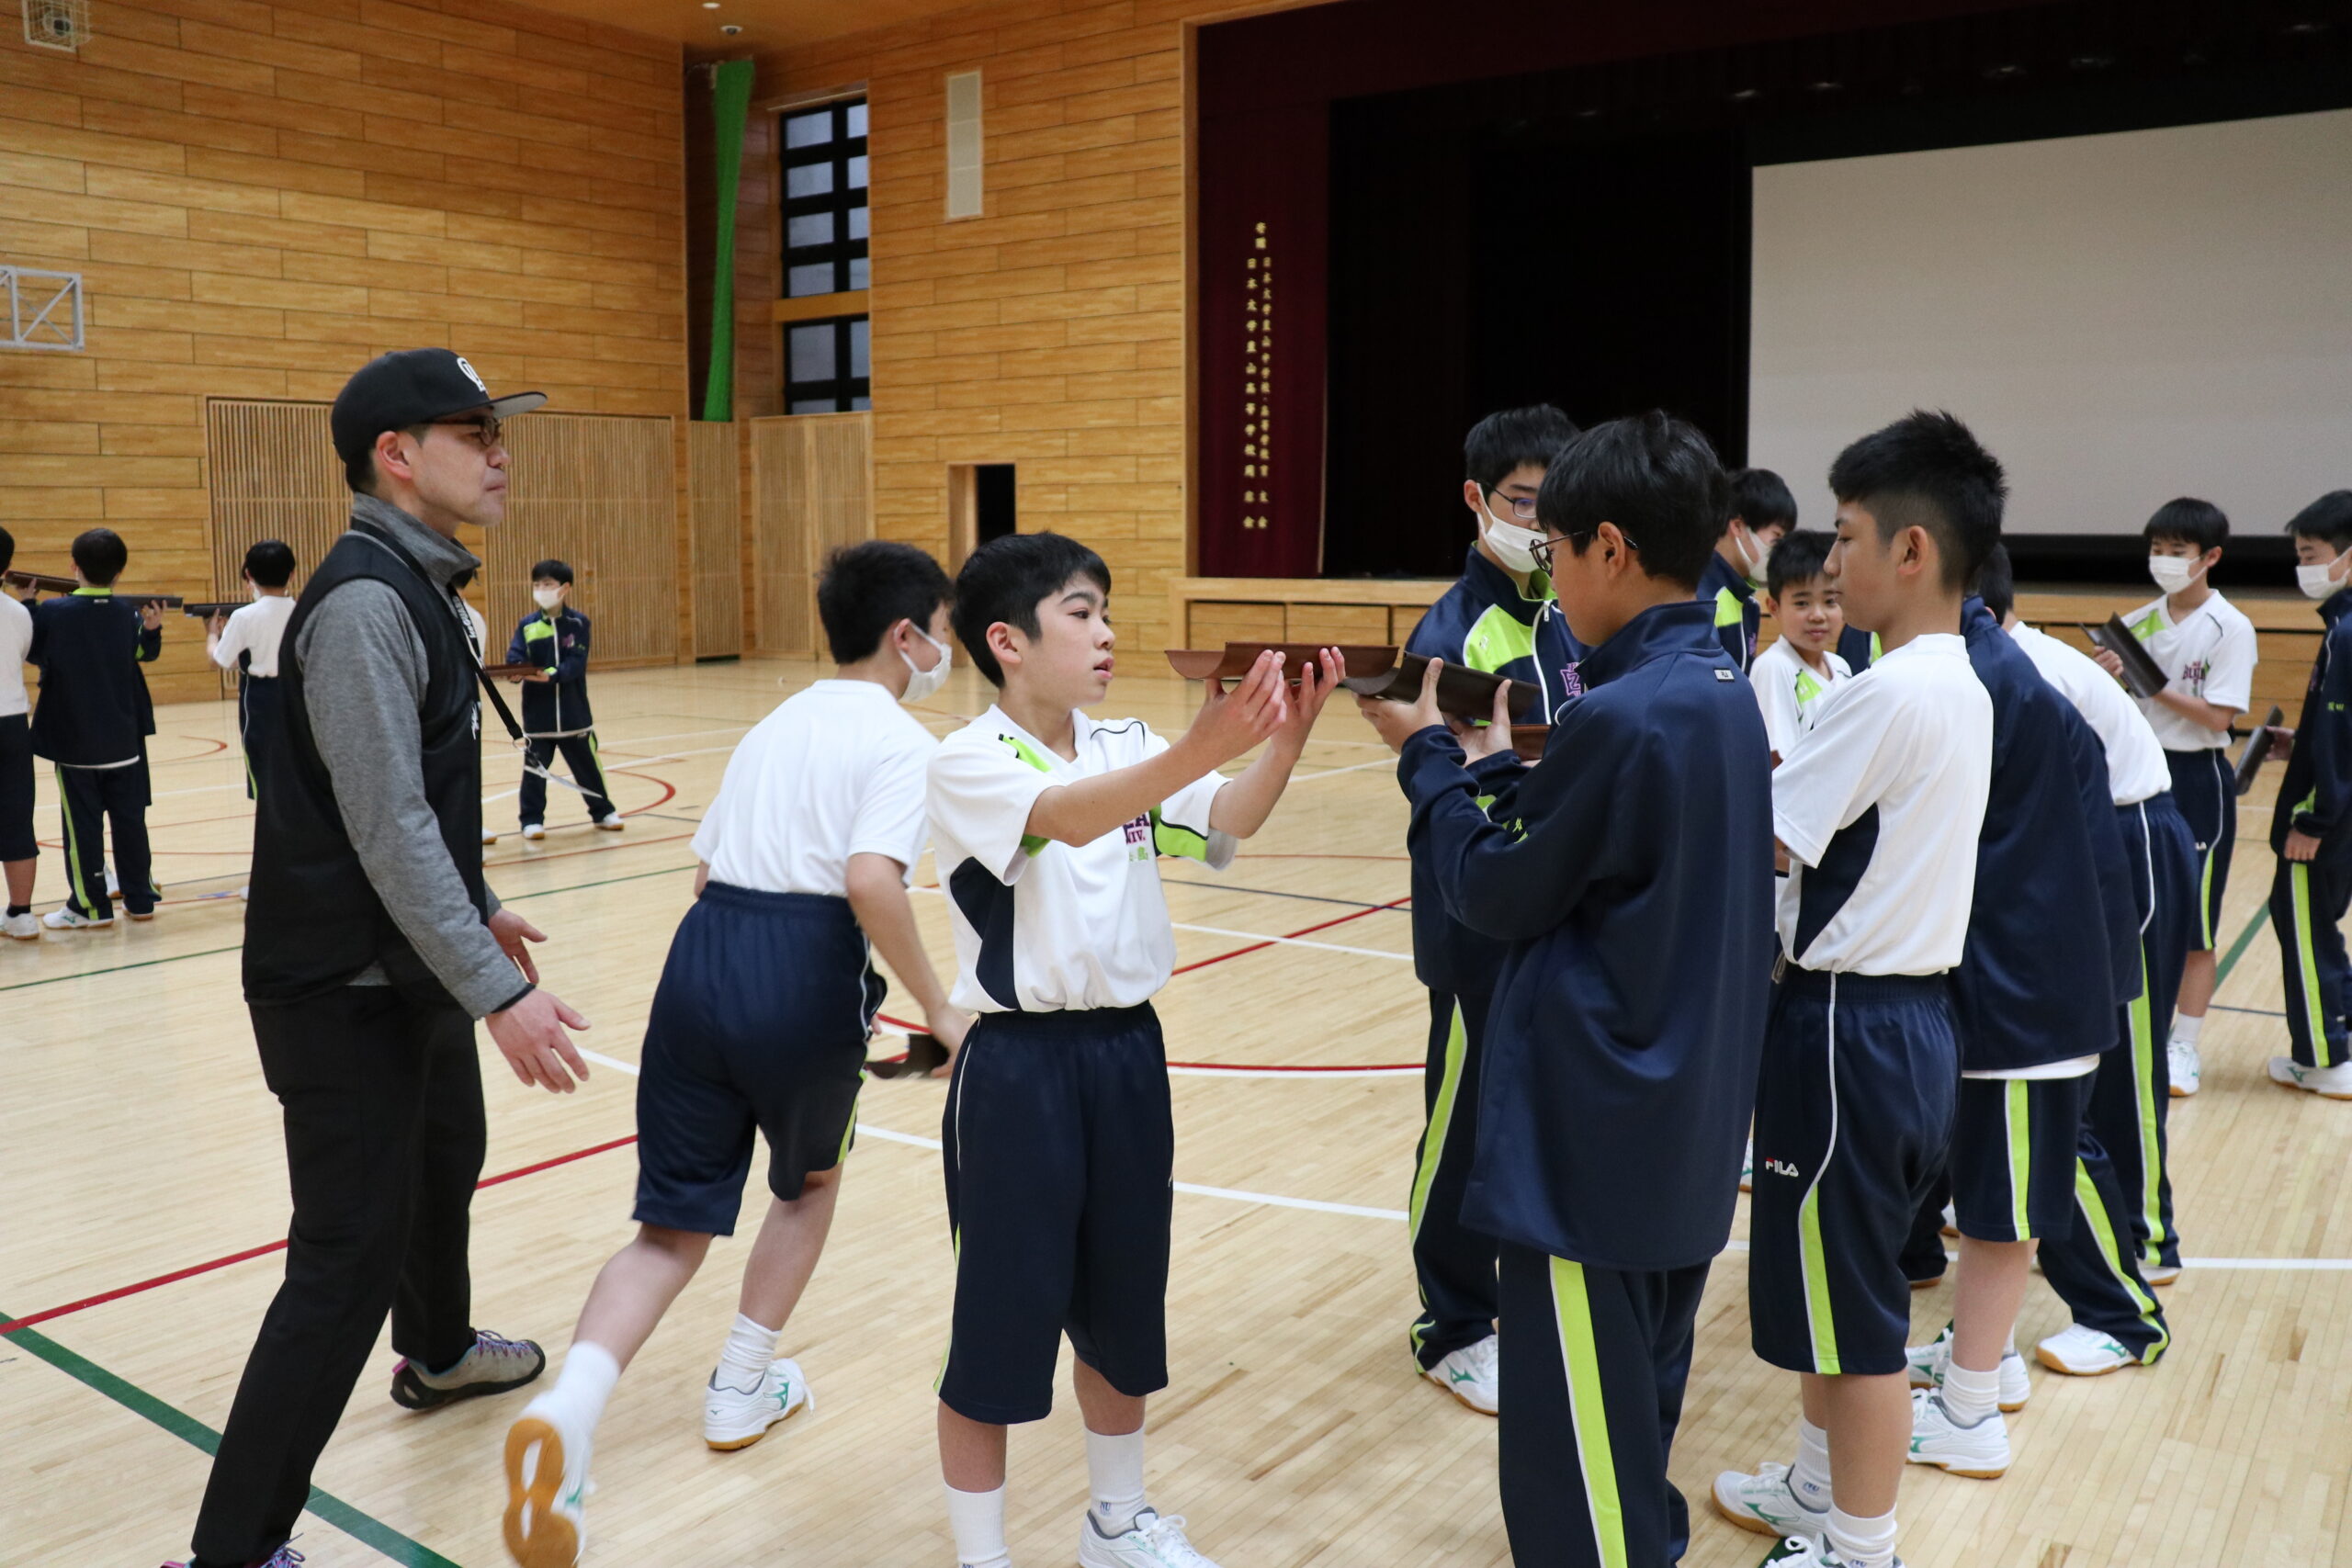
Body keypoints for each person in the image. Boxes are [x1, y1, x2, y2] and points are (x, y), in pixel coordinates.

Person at [167, 349, 593, 1568]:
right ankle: (234, 1549)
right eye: (475, 432)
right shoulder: (363, 604)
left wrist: (481, 909)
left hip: (406, 964)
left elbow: (418, 800)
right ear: (396, 456)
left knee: (446, 1156)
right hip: (339, 987)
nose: (500, 453)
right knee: (343, 1259)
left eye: (499, 431)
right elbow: (387, 822)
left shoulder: (423, 586)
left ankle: (441, 1351)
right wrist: (500, 991)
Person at [501, 541, 970, 1566]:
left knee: (668, 1226)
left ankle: (570, 1409)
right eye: (943, 631)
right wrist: (939, 1007)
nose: (949, 651)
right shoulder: (902, 742)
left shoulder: (774, 723)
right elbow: (871, 880)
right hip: (802, 965)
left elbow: (706, 873)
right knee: (809, 1184)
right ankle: (741, 1385)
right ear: (906, 636)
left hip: (700, 963)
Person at [1366, 412, 1774, 1568]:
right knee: (1627, 1430)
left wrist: (1429, 761)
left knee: (1575, 1475)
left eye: (1555, 550)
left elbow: (1496, 894)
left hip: (1595, 1146)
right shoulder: (1718, 684)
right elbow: (1594, 858)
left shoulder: (1625, 713)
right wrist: (1500, 771)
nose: (1547, 573)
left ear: (1608, 548)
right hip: (1678, 1125)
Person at [926, 531, 1337, 1568]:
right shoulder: (968, 760)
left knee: (1123, 1306)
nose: (1106, 632)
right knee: (998, 1328)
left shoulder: (1129, 744)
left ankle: (1117, 1521)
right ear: (1008, 641)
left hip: (1127, 1058)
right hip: (1018, 1073)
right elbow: (1066, 820)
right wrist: (1201, 745)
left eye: (1106, 612)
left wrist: (1282, 741)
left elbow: (1229, 814)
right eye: (1081, 613)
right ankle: (983, 1558)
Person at [1714, 410, 1996, 1568]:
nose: (1831, 564)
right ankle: (1816, 1490)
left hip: (1845, 1026)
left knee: (1859, 1319)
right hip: (1907, 1024)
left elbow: (1763, 840)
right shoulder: (1959, 680)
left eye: (1845, 536)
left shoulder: (1880, 694)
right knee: (1837, 1291)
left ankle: (1859, 1546)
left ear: (1910, 550)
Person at [1907, 547, 2178, 1437]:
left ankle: (2126, 1310)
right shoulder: (1985, 667)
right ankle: (1982, 1346)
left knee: (2068, 1137)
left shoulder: (2017, 679)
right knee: (2011, 1160)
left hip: (2116, 860)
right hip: (2051, 906)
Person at [1396, 402, 1584, 1415]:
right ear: (1476, 499)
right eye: (1522, 503)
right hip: (1477, 917)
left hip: (1553, 904)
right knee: (1463, 1120)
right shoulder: (1453, 636)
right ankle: (1453, 1323)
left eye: (1555, 507)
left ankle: (1515, 1292)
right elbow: (1446, 788)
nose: (1540, 524)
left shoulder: (1568, 612)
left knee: (1533, 1110)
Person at [2096, 499, 2255, 1098]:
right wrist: (2108, 676)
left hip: (2197, 780)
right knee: (2136, 908)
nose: (2163, 559)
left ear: (2209, 557)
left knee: (2195, 922)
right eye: (2157, 548)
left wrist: (2153, 685)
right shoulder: (2137, 622)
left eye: (2176, 551)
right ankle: (2131, 1031)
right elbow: (2122, 704)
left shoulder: (2230, 627)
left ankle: (2183, 1043)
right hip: (2139, 774)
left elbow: (2219, 715)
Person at [27, 526, 163, 929]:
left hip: (76, 744)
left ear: (74, 566)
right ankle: (140, 900)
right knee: (130, 823)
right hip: (125, 741)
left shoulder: (53, 612)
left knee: (82, 828)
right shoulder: (127, 613)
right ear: (120, 572)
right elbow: (144, 652)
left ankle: (89, 906)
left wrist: (29, 604)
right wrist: (152, 628)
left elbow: (34, 652)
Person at [2265, 491, 2352, 1098]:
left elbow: (2342, 734)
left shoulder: (2345, 633)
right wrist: (2300, 744)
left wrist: (2315, 819)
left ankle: (2324, 1057)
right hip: (2339, 808)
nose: (2304, 567)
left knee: (2303, 927)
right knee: (2318, 923)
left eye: (2312, 554)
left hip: (2326, 816)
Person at [506, 558, 621, 839]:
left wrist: (551, 675)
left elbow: (576, 662)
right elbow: (515, 657)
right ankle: (531, 820)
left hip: (574, 715)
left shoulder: (578, 623)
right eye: (537, 584)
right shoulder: (527, 625)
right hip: (538, 717)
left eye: (548, 584)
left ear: (565, 588)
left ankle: (603, 812)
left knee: (588, 770)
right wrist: (516, 671)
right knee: (535, 772)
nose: (541, 589)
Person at [207, 539, 298, 804]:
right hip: (296, 695)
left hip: (262, 700)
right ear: (292, 574)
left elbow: (219, 661)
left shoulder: (244, 616)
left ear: (249, 574)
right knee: (294, 772)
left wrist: (212, 634)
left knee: (263, 775)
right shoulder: (303, 609)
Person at [1753, 529, 1851, 764]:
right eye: (1802, 603)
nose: (1817, 615)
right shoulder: (1775, 667)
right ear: (1774, 607)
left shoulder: (1841, 668)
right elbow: (1777, 763)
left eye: (1830, 601)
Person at [1699, 466, 1792, 671]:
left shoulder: (1750, 604)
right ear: (1738, 527)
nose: (1781, 550)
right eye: (1777, 537)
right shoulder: (1700, 597)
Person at [0, 527, 35, 941]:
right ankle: (21, 914)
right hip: (11, 723)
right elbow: (22, 654)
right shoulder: (19, 613)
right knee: (16, 817)